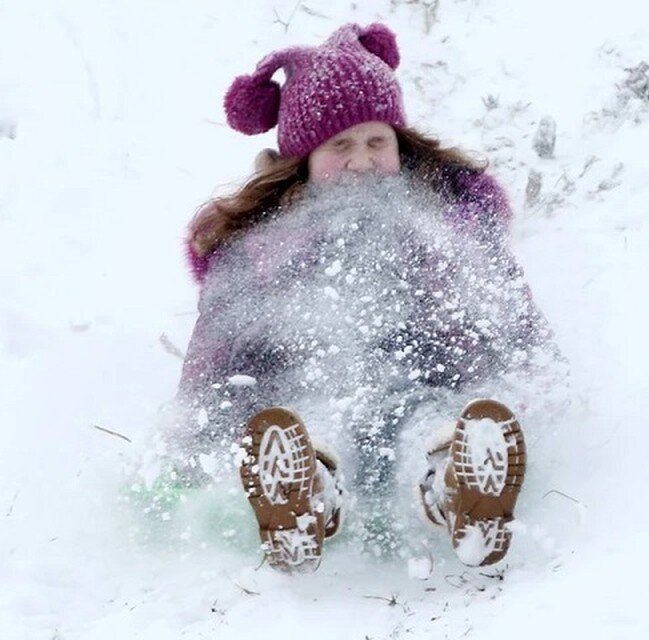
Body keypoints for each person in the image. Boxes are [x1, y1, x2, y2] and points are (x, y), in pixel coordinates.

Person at [166, 22, 566, 573]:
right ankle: (306, 497)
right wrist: (186, 452)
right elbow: (213, 369)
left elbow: (513, 324)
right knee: (315, 423)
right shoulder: (260, 251)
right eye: (340, 145)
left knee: (433, 423)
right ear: (302, 159)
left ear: (400, 144)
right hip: (308, 401)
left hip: (432, 395)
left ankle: (459, 487)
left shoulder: (447, 223)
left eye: (378, 141)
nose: (362, 160)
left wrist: (536, 391)